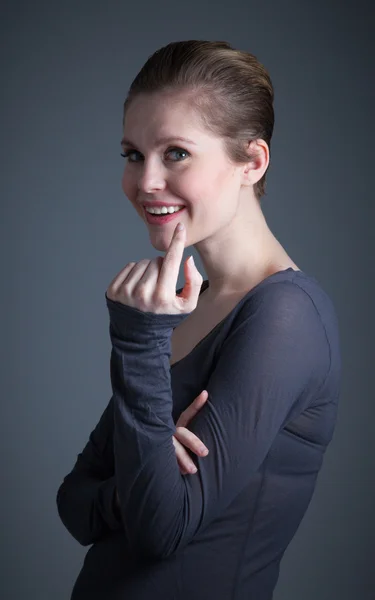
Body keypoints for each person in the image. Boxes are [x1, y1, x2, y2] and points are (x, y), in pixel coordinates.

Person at [56, 40, 341, 599]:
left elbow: (162, 529)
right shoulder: (187, 303)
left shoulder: (285, 315)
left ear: (252, 161)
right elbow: (73, 504)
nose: (145, 182)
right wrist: (129, 488)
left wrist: (137, 343)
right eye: (133, 155)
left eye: (176, 154)